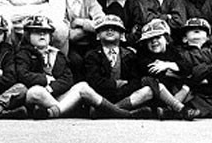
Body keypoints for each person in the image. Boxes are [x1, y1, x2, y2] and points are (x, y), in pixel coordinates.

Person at [17, 15, 147, 119]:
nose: (42, 35)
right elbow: (23, 75)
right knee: (36, 91)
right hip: (36, 95)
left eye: (45, 33)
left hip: (55, 94)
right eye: (36, 32)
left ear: (51, 36)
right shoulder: (24, 53)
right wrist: (46, 80)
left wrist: (51, 88)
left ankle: (55, 111)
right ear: (28, 36)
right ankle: (121, 114)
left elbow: (67, 78)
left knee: (82, 87)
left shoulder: (58, 54)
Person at [62, 0, 104, 77]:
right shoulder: (61, 1)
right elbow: (68, 34)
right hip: (69, 46)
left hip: (89, 45)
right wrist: (88, 30)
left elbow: (101, 23)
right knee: (75, 61)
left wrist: (80, 22)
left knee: (94, 59)